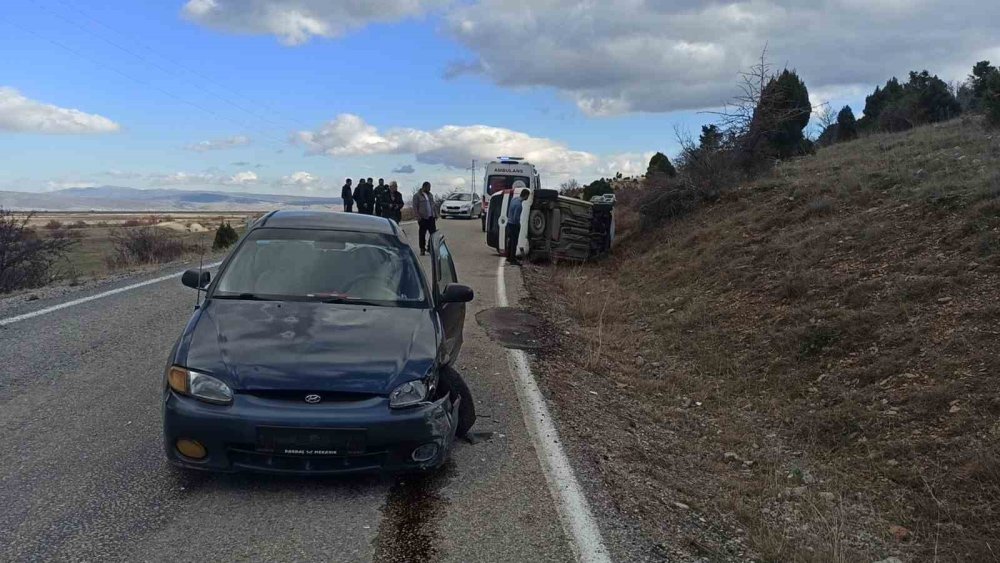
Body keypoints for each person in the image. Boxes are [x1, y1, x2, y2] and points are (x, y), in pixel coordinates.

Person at [506, 186, 530, 265]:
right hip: (514, 224)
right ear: (525, 195)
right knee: (514, 242)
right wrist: (519, 225)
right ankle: (512, 260)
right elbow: (516, 217)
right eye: (528, 196)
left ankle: (509, 257)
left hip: (509, 223)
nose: (528, 198)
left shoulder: (514, 200)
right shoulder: (519, 205)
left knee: (510, 241)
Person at [412, 181, 437, 255]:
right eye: (429, 187)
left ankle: (430, 247)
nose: (430, 189)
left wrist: (436, 214)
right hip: (423, 218)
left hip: (431, 217)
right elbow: (415, 207)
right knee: (422, 234)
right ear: (424, 187)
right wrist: (418, 217)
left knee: (433, 233)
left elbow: (433, 205)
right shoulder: (417, 196)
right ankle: (422, 249)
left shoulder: (430, 195)